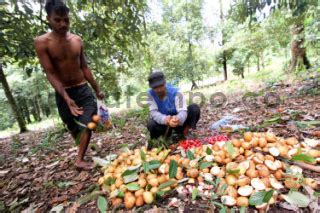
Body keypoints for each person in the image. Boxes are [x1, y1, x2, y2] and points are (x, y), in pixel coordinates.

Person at [34, 0, 104, 170]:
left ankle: (79, 160)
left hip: (82, 88)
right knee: (72, 127)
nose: (63, 24)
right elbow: (50, 72)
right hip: (63, 92)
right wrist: (65, 98)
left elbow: (85, 67)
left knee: (87, 123)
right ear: (48, 19)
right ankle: (83, 147)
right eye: (57, 20)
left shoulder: (77, 40)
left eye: (66, 20)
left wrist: (97, 90)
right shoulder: (41, 42)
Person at [146, 71, 200, 139]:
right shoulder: (150, 94)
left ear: (165, 83)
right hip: (164, 123)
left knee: (194, 109)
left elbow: (182, 111)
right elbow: (154, 112)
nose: (159, 90)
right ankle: (162, 137)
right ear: (151, 87)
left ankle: (184, 132)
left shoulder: (177, 92)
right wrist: (165, 120)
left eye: (161, 86)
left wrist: (178, 118)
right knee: (151, 124)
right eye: (156, 87)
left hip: (178, 122)